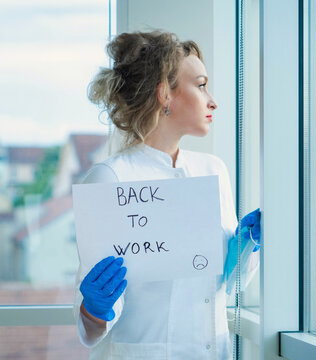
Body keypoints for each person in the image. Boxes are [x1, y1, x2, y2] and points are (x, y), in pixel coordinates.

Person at [74, 30, 261, 360]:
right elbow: (91, 332)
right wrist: (93, 307)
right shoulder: (109, 179)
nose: (213, 100)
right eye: (201, 85)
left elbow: (228, 287)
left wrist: (247, 248)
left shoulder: (214, 171)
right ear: (164, 94)